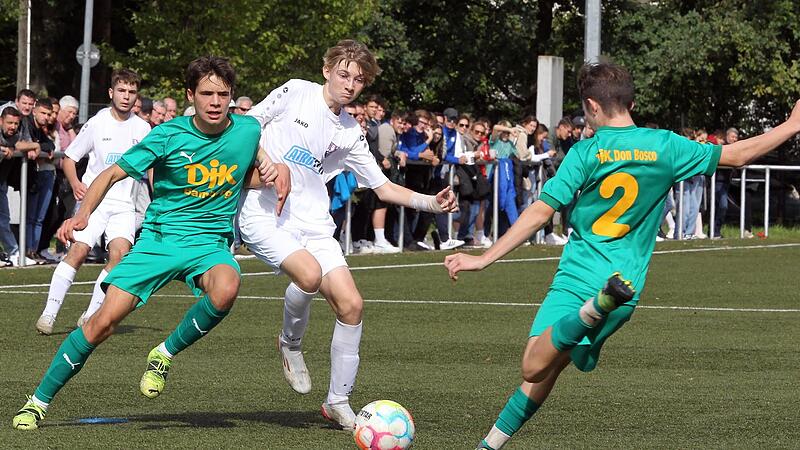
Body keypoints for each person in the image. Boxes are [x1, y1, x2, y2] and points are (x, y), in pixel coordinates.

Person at [442, 62, 800, 450]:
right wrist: (791, 125)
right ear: (631, 103)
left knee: (533, 364)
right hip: (625, 287)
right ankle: (489, 445)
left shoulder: (587, 151)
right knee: (550, 368)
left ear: (592, 106)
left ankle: (589, 311)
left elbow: (541, 211)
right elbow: (738, 155)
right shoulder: (665, 146)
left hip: (580, 276)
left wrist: (484, 258)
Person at [12, 55, 290, 430]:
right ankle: (38, 401)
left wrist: (277, 169)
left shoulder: (247, 130)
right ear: (190, 95)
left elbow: (247, 173)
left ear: (231, 97)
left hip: (208, 244)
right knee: (101, 324)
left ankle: (164, 353)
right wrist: (83, 214)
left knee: (227, 287)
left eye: (223, 95)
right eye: (206, 94)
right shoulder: (167, 134)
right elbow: (111, 173)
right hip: (158, 241)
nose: (215, 102)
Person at [239, 39, 457, 430]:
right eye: (344, 75)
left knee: (352, 306)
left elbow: (383, 188)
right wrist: (264, 160)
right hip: (264, 215)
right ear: (327, 71)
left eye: (358, 80)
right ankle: (289, 343)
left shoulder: (351, 132)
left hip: (313, 222)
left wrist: (432, 204)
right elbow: (248, 124)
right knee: (308, 275)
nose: (350, 84)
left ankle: (337, 401)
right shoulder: (295, 92)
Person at [33, 69, 152, 335]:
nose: (126, 96)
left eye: (132, 92)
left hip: (124, 205)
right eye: (121, 90)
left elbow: (153, 165)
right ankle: (49, 314)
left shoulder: (143, 128)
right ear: (111, 93)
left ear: (137, 96)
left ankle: (89, 315)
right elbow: (70, 158)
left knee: (119, 257)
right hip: (94, 203)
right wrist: (76, 183)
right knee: (78, 251)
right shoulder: (98, 123)